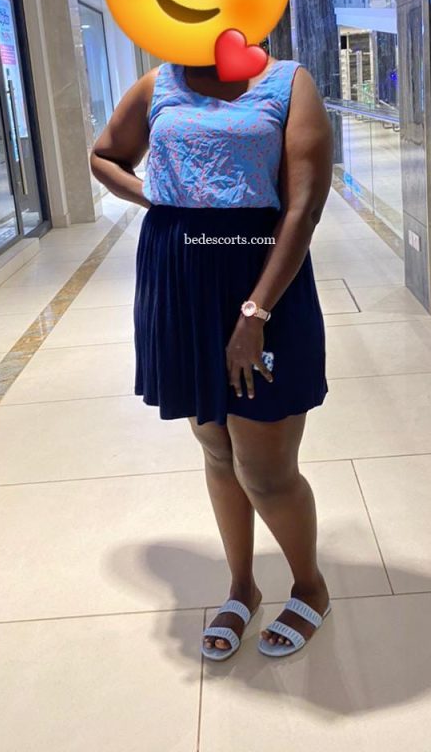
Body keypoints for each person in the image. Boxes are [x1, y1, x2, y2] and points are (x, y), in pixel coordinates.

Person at [90, 54, 333, 660]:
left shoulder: (287, 82)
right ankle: (242, 586)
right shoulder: (160, 81)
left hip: (262, 278)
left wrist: (255, 315)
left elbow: (303, 206)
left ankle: (310, 586)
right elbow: (104, 156)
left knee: (266, 468)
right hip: (179, 282)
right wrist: (158, 196)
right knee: (218, 449)